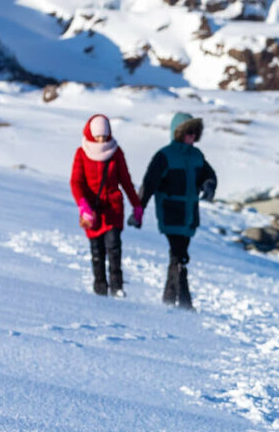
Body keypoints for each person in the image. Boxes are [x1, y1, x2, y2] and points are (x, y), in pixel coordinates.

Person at [139, 111, 217, 309]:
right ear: (178, 133)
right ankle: (185, 304)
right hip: (171, 213)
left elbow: (209, 175)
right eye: (187, 132)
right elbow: (149, 183)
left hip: (190, 216)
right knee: (179, 256)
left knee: (177, 257)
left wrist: (209, 186)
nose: (191, 136)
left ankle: (168, 299)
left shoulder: (197, 156)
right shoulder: (165, 156)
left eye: (194, 132)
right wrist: (138, 209)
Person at [70, 114, 140, 297]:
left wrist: (137, 205)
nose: (101, 139)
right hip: (92, 211)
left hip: (113, 207)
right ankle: (100, 288)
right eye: (98, 136)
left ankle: (117, 288)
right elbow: (76, 182)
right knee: (97, 251)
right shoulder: (82, 153)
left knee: (114, 248)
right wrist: (83, 205)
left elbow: (125, 181)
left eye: (104, 135)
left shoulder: (116, 152)